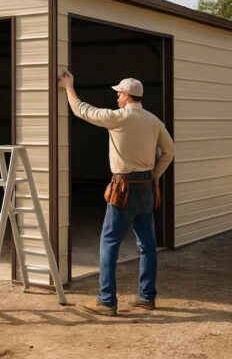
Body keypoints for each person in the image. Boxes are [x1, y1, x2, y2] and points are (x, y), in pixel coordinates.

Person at [58, 68, 174, 317]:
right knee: (148, 245)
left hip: (124, 188)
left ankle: (107, 301)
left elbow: (82, 110)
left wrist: (68, 87)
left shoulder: (119, 117)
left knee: (109, 242)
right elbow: (169, 151)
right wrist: (154, 176)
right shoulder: (153, 121)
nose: (117, 97)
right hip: (147, 187)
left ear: (126, 95)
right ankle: (146, 297)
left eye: (119, 94)